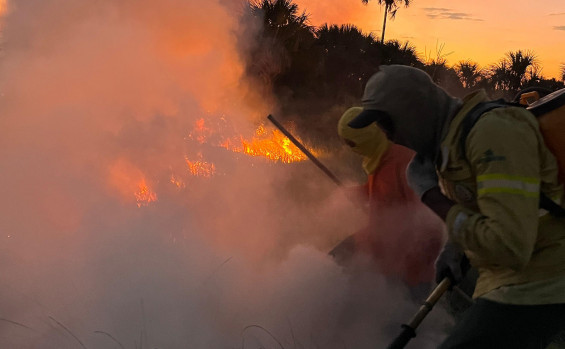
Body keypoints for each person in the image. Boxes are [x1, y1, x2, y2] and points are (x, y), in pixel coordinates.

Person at [348, 64, 565, 348]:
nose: (388, 136)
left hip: (541, 283)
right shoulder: (455, 145)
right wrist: (456, 248)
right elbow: (487, 207)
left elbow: (510, 246)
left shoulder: (492, 134)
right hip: (513, 283)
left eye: (388, 123)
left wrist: (433, 198)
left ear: (415, 112)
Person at [330, 106, 443, 290]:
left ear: (365, 138)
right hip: (378, 241)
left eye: (351, 143)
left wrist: (409, 261)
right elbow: (384, 191)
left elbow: (428, 218)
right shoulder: (379, 157)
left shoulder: (405, 163)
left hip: (407, 264)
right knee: (332, 264)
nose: (351, 149)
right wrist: (359, 192)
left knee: (398, 311)